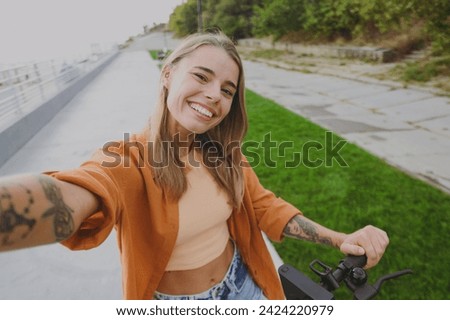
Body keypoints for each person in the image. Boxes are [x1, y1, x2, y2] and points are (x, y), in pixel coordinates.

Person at [0, 31, 389, 300]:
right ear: (168, 75)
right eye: (201, 77)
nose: (213, 96)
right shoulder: (127, 159)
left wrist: (339, 239)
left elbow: (263, 205)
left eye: (227, 90)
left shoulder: (224, 153)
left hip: (245, 284)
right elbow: (74, 194)